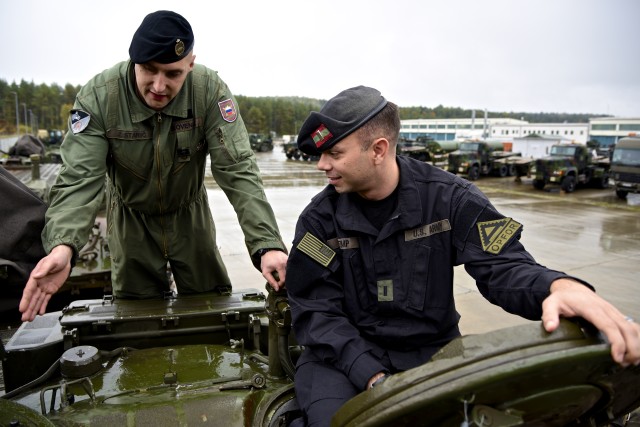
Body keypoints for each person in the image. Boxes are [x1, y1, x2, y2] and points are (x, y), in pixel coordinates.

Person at [285, 86, 640, 426]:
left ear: (378, 149)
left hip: (430, 356)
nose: (321, 165)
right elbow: (316, 309)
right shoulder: (318, 221)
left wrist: (558, 286)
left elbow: (504, 266)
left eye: (334, 153)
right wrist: (371, 374)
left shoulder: (452, 199)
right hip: (342, 358)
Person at [19, 10, 288, 322]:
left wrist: (266, 244)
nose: (159, 86)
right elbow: (80, 177)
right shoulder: (100, 97)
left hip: (190, 213)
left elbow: (238, 168)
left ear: (190, 63)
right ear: (133, 61)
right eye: (149, 69)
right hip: (130, 217)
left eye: (173, 74)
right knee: (136, 316)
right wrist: (63, 246)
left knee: (211, 307)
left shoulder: (208, 90)